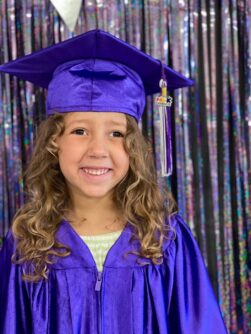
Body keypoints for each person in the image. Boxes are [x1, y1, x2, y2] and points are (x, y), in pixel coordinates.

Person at [0, 29, 227, 334]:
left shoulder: (165, 239)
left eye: (116, 133)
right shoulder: (27, 242)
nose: (97, 150)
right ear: (55, 141)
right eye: (80, 131)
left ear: (133, 147)